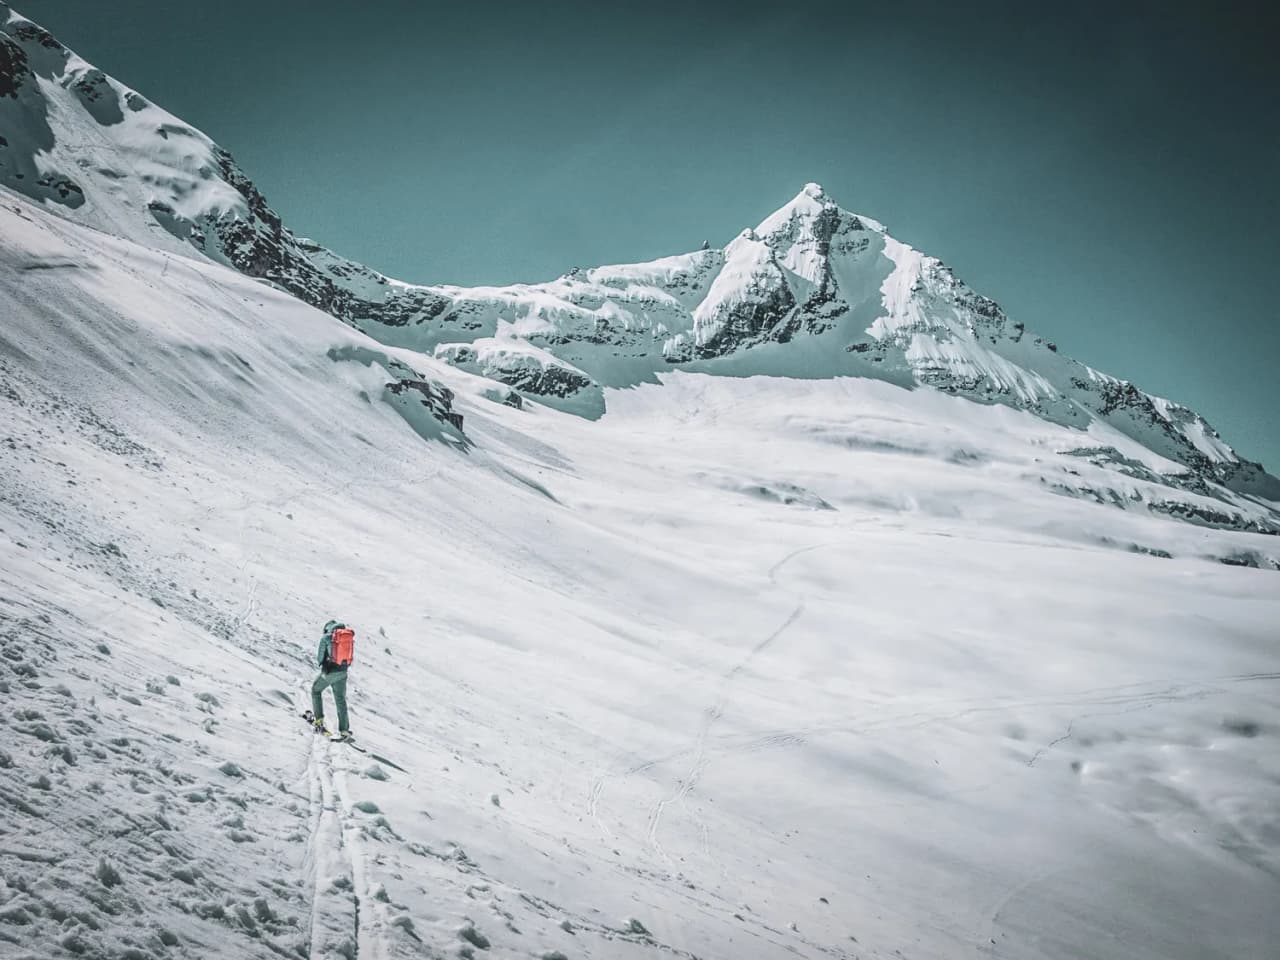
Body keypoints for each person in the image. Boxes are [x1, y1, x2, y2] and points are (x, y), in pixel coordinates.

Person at [311, 619, 354, 740]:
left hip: (330, 671)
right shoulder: (346, 636)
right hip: (343, 672)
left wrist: (324, 665)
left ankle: (318, 720)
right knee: (340, 699)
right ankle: (344, 730)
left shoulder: (326, 637)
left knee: (315, 690)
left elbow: (320, 657)